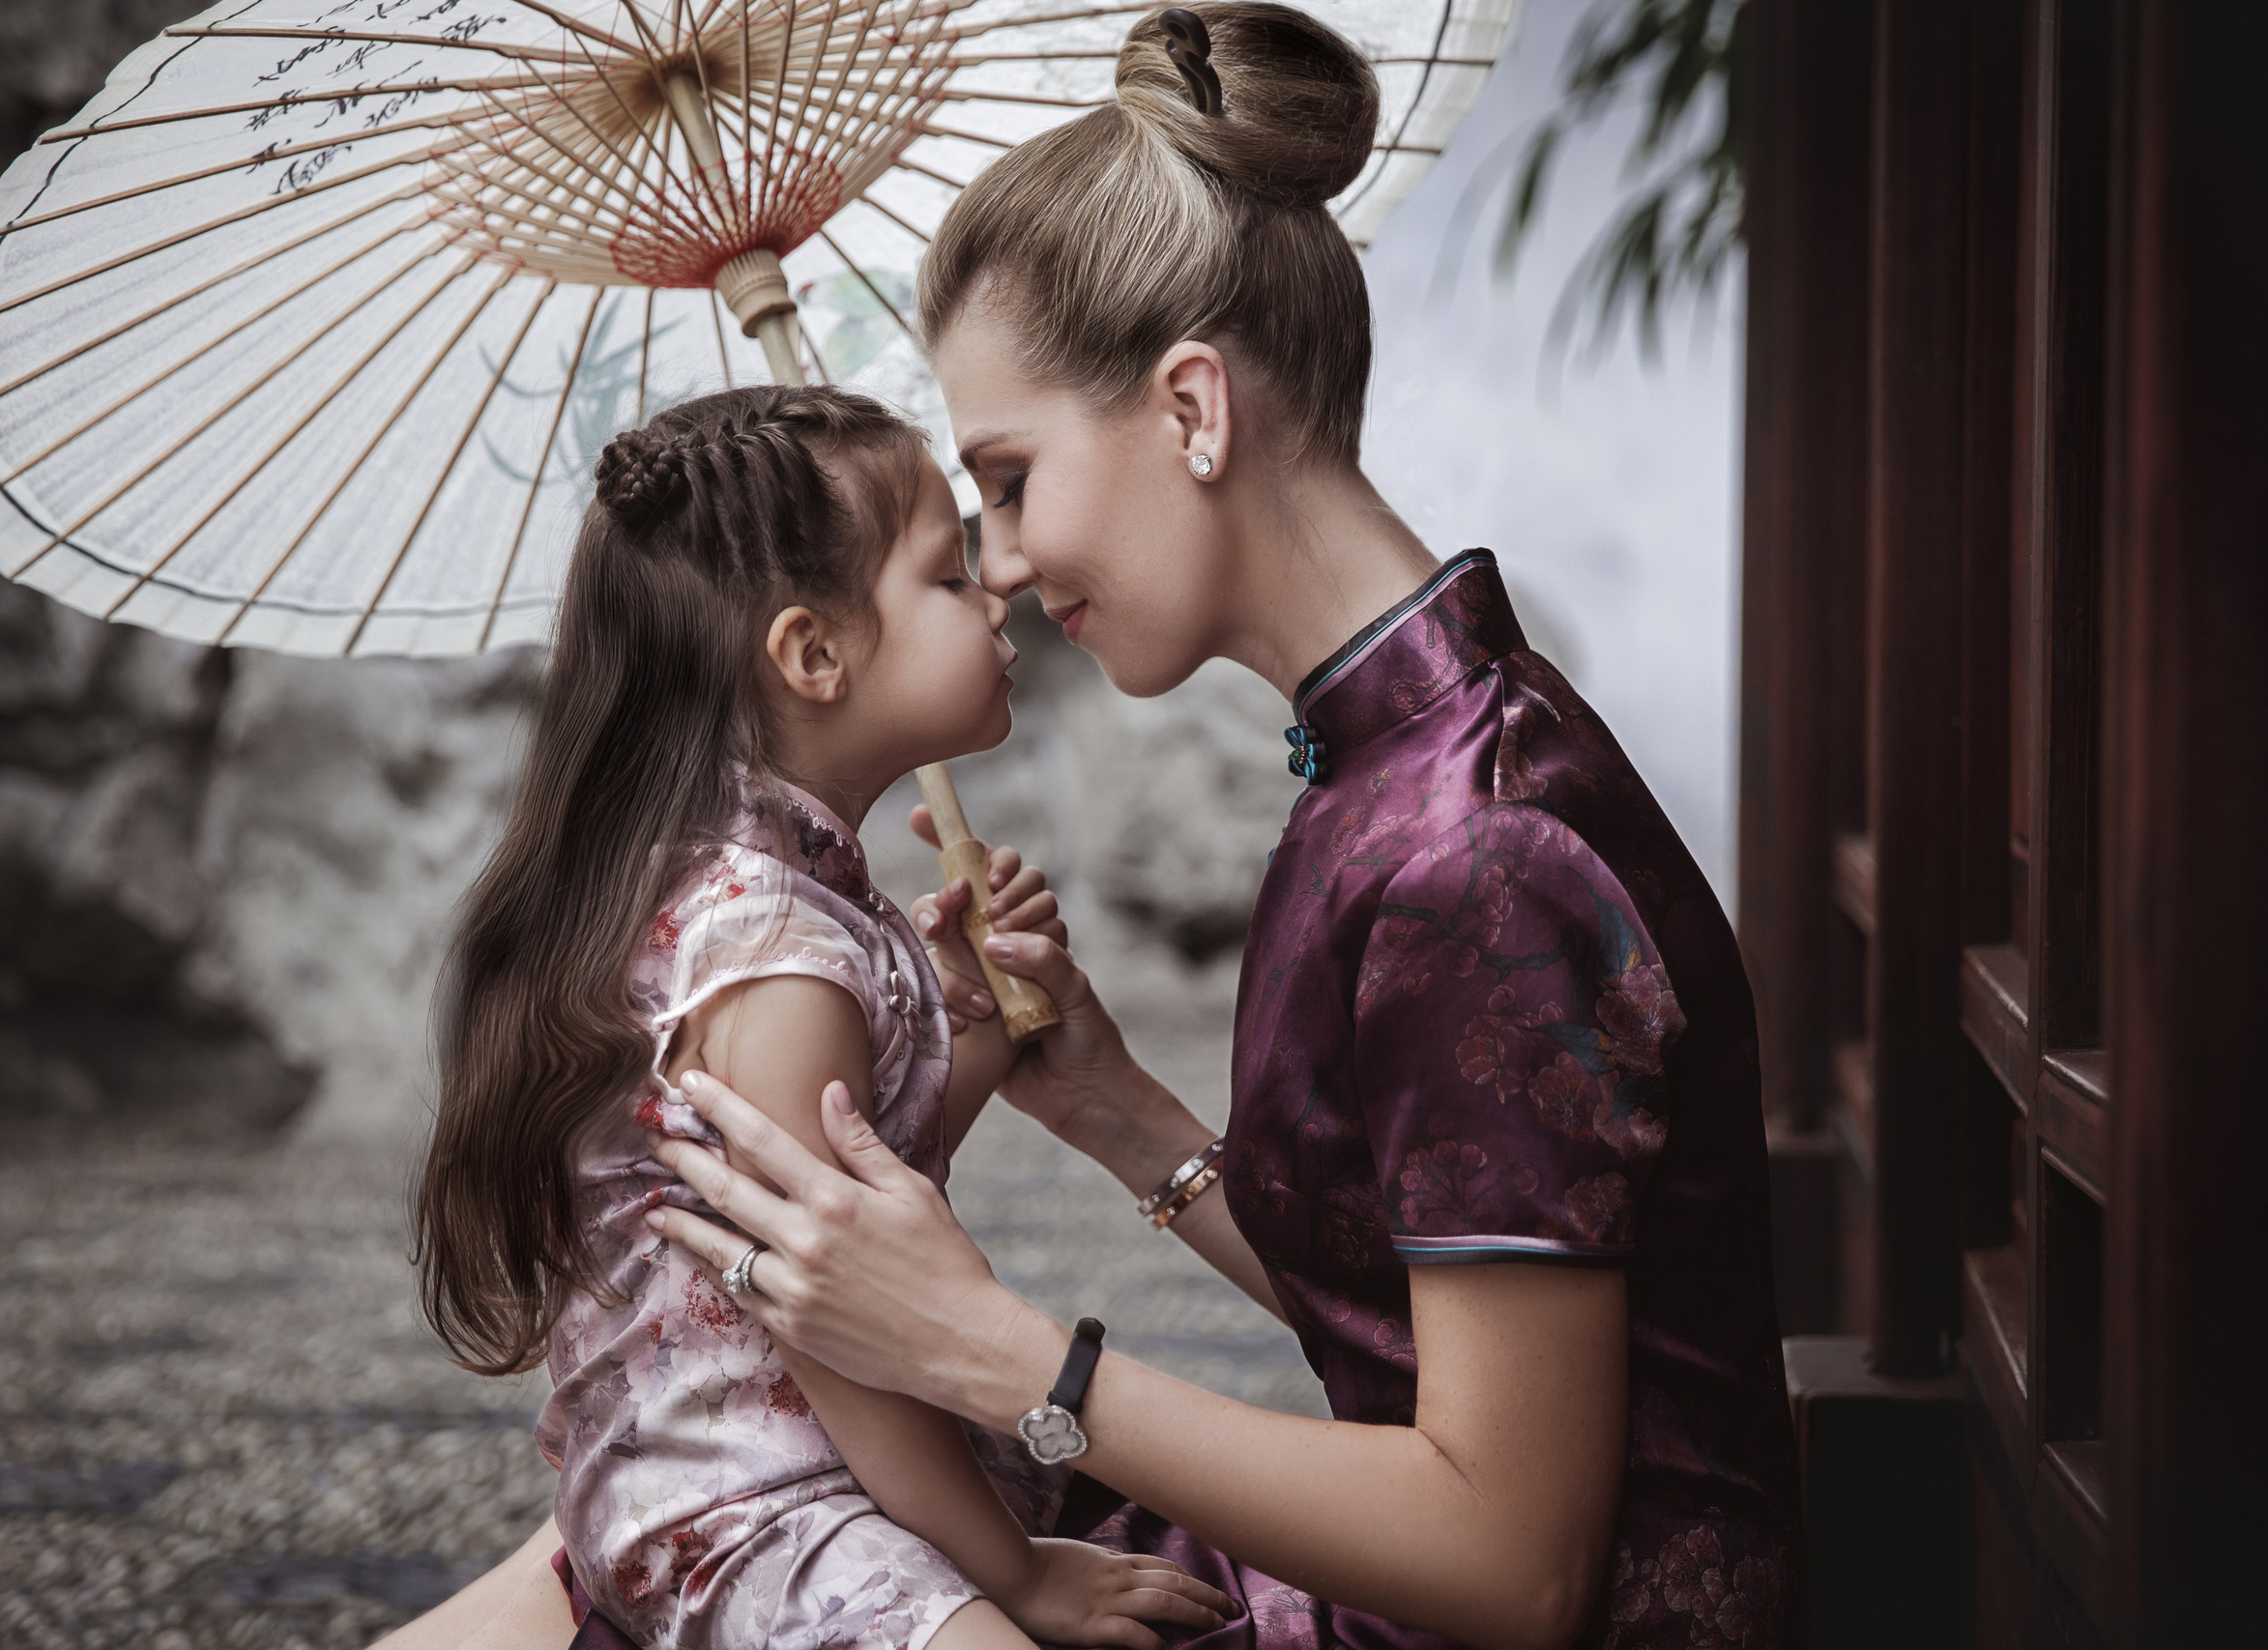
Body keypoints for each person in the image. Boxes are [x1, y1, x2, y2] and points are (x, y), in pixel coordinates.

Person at [389, 5, 1799, 1648]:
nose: (994, 565)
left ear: (1193, 410)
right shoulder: (1392, 768)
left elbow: (1519, 1569)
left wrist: (998, 1354)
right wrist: (1115, 1110)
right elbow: (1426, 1326)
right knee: (585, 1564)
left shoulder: (1468, 858)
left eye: (1006, 478)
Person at [405, 384, 1236, 1650]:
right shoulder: (774, 956)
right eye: (949, 577)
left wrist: (974, 1018)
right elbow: (837, 1319)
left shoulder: (787, 893)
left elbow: (863, 1171)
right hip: (747, 1493)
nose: (997, 591)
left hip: (818, 1437)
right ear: (812, 654)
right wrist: (1013, 1578)